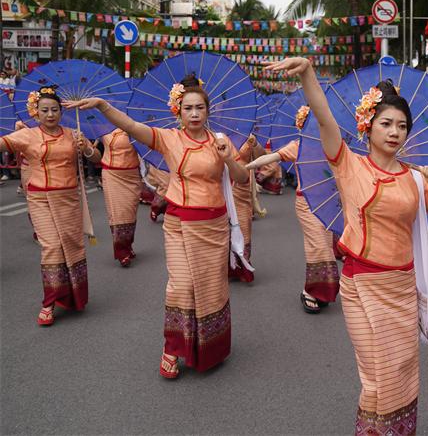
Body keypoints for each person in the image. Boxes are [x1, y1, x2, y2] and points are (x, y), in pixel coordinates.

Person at [265, 56, 428, 434]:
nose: (394, 132)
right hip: (362, 286)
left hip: (402, 287)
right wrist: (307, 72)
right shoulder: (349, 165)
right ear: (367, 127)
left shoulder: (418, 179)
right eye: (386, 123)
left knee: (400, 369)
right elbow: (323, 119)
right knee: (379, 374)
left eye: (402, 126)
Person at [66, 74, 249, 377]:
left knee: (211, 286)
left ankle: (209, 347)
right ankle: (173, 347)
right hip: (178, 222)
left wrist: (228, 159)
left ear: (208, 110)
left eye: (199, 108)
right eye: (187, 108)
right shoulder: (169, 138)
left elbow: (241, 179)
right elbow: (130, 126)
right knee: (181, 286)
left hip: (214, 226)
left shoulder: (221, 141)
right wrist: (102, 105)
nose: (193, 114)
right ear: (178, 111)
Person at [0, 87, 94, 325]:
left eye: (54, 109)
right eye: (45, 110)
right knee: (51, 246)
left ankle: (72, 295)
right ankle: (49, 301)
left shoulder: (75, 134)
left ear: (62, 112)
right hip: (40, 198)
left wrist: (86, 148)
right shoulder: (27, 135)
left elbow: (97, 159)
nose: (50, 114)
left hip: (69, 198)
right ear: (36, 112)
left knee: (71, 246)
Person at [247, 136, 341, 311]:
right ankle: (310, 290)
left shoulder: (335, 144)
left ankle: (322, 289)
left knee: (326, 245)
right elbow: (271, 157)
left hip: (329, 203)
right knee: (318, 246)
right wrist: (247, 167)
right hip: (306, 203)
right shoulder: (297, 146)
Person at [81, 129, 142, 267]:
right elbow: (92, 149)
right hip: (112, 174)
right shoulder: (102, 125)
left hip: (133, 174)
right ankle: (122, 252)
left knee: (130, 214)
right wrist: (85, 146)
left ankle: (128, 245)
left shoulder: (134, 124)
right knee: (118, 214)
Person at [229, 134, 266, 282]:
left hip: (242, 185)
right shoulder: (212, 133)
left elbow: (261, 157)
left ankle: (241, 266)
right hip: (220, 184)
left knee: (243, 224)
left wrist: (255, 144)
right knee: (222, 227)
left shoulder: (246, 132)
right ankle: (223, 267)